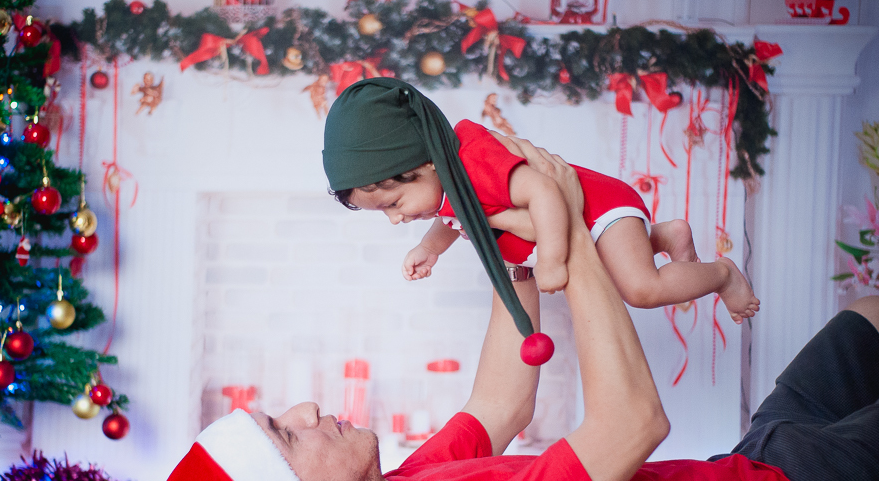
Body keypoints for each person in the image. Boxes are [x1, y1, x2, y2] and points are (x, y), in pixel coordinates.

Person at [119, 148, 878, 481]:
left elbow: (502, 401)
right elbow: (634, 420)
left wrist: (505, 247)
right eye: (289, 433)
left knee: (864, 318)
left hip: (751, 475)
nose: (311, 408)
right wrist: (568, 234)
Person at [324, 78, 759, 324]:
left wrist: (550, 258)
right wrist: (428, 248)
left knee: (641, 290)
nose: (396, 219)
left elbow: (544, 190)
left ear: (424, 163)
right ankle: (666, 234)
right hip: (595, 223)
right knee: (614, 267)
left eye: (393, 203)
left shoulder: (474, 163)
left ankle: (722, 275)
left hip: (600, 209)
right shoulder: (447, 188)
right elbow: (457, 219)